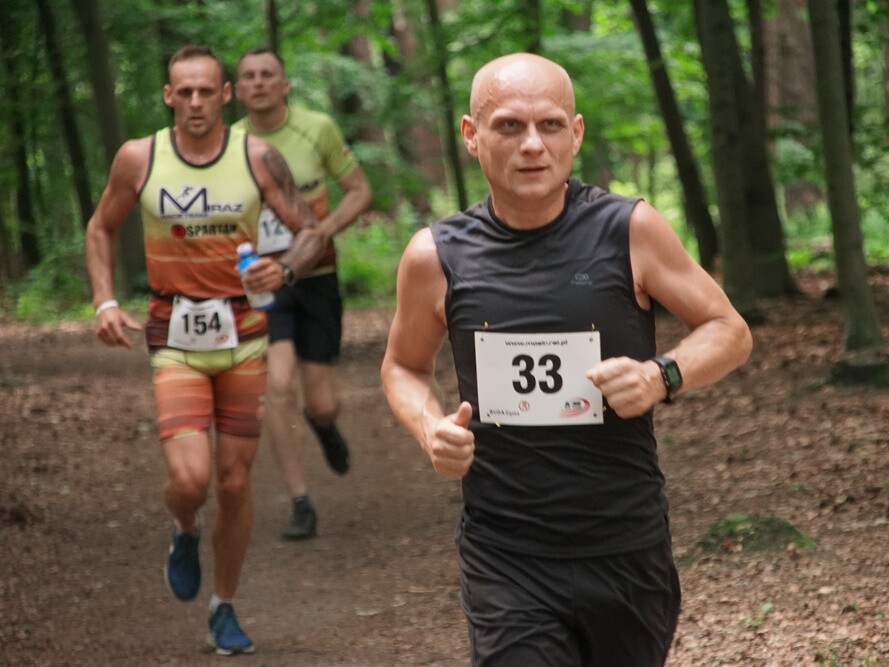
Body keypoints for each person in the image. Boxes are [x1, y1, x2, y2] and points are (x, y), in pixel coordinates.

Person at [380, 53, 753, 666]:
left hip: (626, 548)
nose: (533, 145)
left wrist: (663, 376)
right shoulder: (436, 256)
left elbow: (729, 329)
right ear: (472, 137)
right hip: (507, 557)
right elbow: (402, 366)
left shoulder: (628, 229)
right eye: (509, 126)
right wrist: (430, 429)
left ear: (575, 134)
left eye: (551, 125)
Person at [85, 45, 325, 656]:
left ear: (227, 96)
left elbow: (313, 234)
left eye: (205, 92)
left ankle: (224, 606)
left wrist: (286, 272)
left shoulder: (257, 158)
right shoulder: (140, 158)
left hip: (244, 335)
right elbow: (100, 227)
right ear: (168, 96)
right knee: (190, 480)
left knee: (235, 483)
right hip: (174, 337)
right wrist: (106, 301)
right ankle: (183, 528)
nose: (194, 102)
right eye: (182, 92)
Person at [233, 47, 373, 540]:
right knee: (278, 384)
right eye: (248, 76)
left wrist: (321, 232)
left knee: (322, 402)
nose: (258, 83)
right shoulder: (230, 144)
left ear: (285, 83)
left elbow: (360, 190)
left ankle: (324, 423)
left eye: (268, 74)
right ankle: (300, 500)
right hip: (260, 283)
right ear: (236, 89)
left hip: (315, 278)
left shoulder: (318, 128)